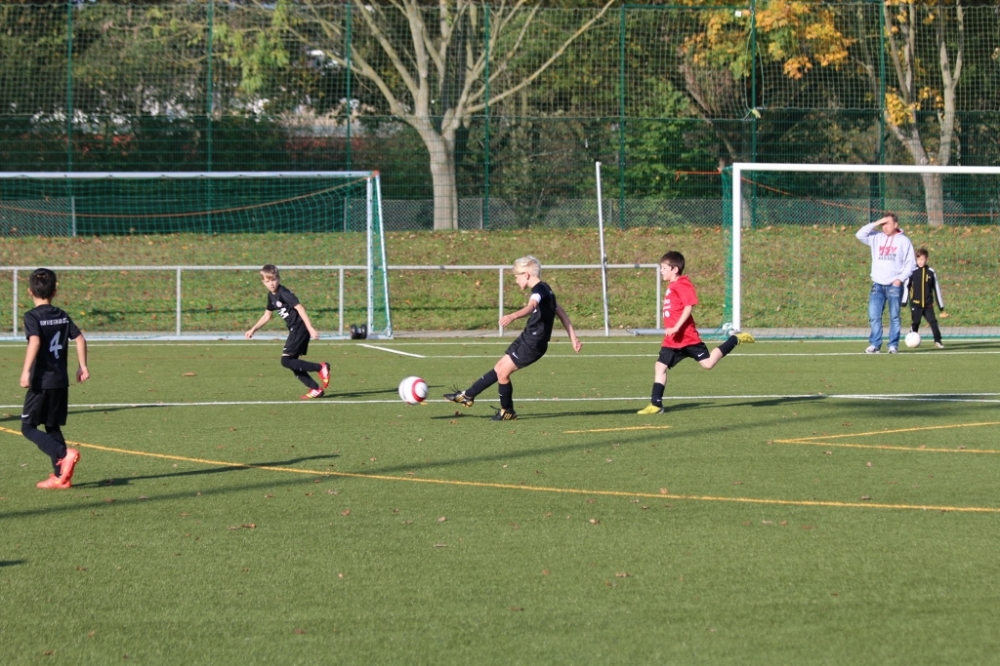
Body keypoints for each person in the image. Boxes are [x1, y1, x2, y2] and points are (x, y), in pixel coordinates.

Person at [444, 256, 582, 420]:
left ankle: (507, 411)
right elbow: (560, 312)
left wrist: (513, 316)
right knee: (499, 367)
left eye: (517, 276)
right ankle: (468, 395)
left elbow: (532, 306)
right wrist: (573, 337)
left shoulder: (538, 291)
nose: (516, 281)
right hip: (527, 338)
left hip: (533, 343)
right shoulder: (546, 289)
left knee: (503, 373)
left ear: (526, 274)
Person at [636, 251, 754, 415]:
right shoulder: (671, 286)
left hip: (688, 338)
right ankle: (656, 405)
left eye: (664, 267)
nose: (661, 270)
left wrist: (676, 327)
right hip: (672, 340)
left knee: (708, 364)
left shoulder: (683, 284)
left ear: (675, 269)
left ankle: (734, 339)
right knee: (660, 366)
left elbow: (688, 306)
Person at [20, 268, 89, 489]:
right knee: (52, 426)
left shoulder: (32, 316)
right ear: (55, 291)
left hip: (42, 382)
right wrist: (82, 366)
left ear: (30, 291)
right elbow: (79, 339)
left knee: (27, 427)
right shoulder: (61, 314)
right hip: (60, 381)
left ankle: (63, 453)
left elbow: (35, 342)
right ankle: (61, 476)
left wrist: (26, 371)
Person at [245, 264, 330, 399]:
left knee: (285, 361)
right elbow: (267, 315)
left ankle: (320, 367)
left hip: (299, 328)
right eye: (267, 281)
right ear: (263, 282)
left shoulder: (283, 293)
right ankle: (315, 389)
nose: (271, 284)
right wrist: (253, 329)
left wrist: (310, 328)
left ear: (278, 278)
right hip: (294, 329)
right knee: (292, 363)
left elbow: (300, 308)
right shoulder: (271, 296)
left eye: (273, 279)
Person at [856, 214, 916, 354]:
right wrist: (876, 222)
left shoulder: (904, 241)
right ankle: (875, 344)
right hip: (877, 285)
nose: (885, 226)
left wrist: (899, 279)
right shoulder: (876, 237)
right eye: (883, 224)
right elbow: (859, 234)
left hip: (894, 286)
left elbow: (910, 264)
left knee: (894, 316)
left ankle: (893, 345)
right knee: (874, 316)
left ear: (896, 225)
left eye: (887, 223)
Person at [904, 248, 946, 349]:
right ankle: (911, 339)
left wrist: (940, 304)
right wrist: (904, 301)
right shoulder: (912, 272)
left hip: (928, 304)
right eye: (918, 259)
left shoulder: (931, 272)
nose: (920, 262)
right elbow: (906, 286)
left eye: (922, 259)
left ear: (926, 259)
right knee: (916, 322)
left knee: (933, 322)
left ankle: (938, 341)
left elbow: (936, 288)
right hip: (916, 304)